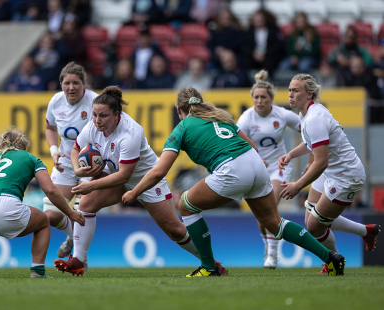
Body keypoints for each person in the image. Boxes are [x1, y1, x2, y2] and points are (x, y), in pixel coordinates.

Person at [122, 87, 346, 277]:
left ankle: (209, 268)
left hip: (232, 168)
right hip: (257, 165)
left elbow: (159, 171)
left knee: (186, 205)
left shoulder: (182, 127)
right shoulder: (222, 117)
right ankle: (330, 258)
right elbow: (254, 148)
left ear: (179, 110)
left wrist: (134, 193)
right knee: (274, 223)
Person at [54, 86, 228, 276]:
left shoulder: (130, 133)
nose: (97, 120)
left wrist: (91, 184)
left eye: (102, 116)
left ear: (116, 114)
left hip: (146, 181)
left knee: (175, 231)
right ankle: (78, 260)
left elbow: (125, 176)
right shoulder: (93, 125)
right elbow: (75, 150)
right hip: (118, 178)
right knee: (86, 205)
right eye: (94, 115)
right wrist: (79, 169)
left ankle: (211, 263)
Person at [278, 73, 380, 274]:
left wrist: (297, 185)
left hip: (346, 177)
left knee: (315, 226)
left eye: (295, 91)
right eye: (289, 90)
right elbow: (310, 144)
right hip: (331, 171)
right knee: (312, 220)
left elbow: (321, 162)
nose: (290, 95)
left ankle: (334, 261)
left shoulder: (315, 118)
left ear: (309, 94)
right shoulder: (306, 114)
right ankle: (365, 232)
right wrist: (290, 154)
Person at [0, 127, 85, 279]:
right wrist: (70, 213)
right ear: (24, 146)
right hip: (4, 205)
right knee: (43, 221)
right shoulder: (30, 158)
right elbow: (50, 190)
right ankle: (38, 272)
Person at [237, 70, 301, 269]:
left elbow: (307, 129)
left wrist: (311, 154)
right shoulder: (246, 118)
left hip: (279, 167)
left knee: (271, 206)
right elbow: (238, 143)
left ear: (271, 98)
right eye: (255, 97)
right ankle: (268, 246)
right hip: (257, 169)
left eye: (263, 97)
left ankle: (272, 254)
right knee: (262, 214)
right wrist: (254, 158)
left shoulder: (282, 115)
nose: (259, 101)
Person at [44, 62, 98, 259]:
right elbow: (50, 128)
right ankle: (71, 237)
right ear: (61, 84)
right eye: (67, 83)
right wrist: (54, 150)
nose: (71, 87)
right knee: (50, 214)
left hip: (90, 165)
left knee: (81, 212)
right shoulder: (56, 102)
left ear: (84, 84)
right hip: (65, 163)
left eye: (76, 83)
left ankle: (79, 259)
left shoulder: (95, 101)